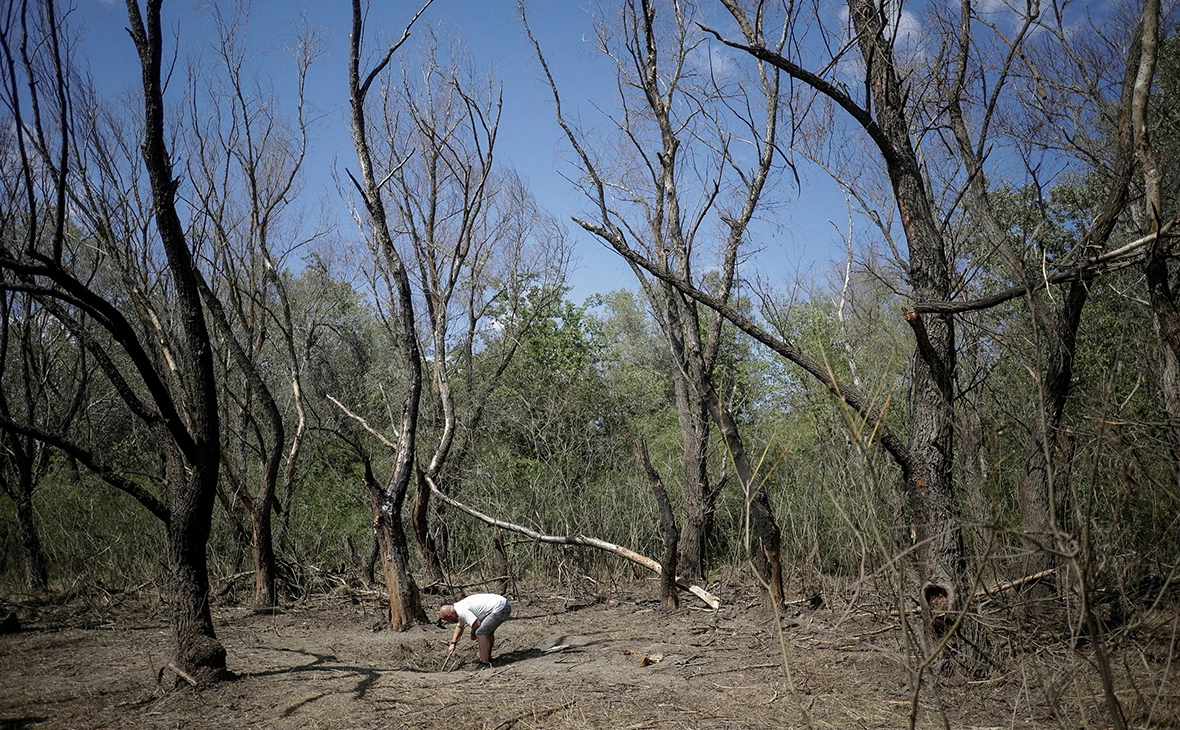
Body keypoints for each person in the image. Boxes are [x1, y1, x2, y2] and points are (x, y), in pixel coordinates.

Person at [439, 593, 511, 666]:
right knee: (487, 632)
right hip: (502, 604)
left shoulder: (461, 611)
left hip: (501, 608)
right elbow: (460, 627)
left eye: (447, 619)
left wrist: (473, 633)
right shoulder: (458, 608)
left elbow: (476, 624)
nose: (449, 622)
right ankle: (488, 658)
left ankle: (485, 663)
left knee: (481, 632)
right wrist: (453, 643)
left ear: (450, 615)